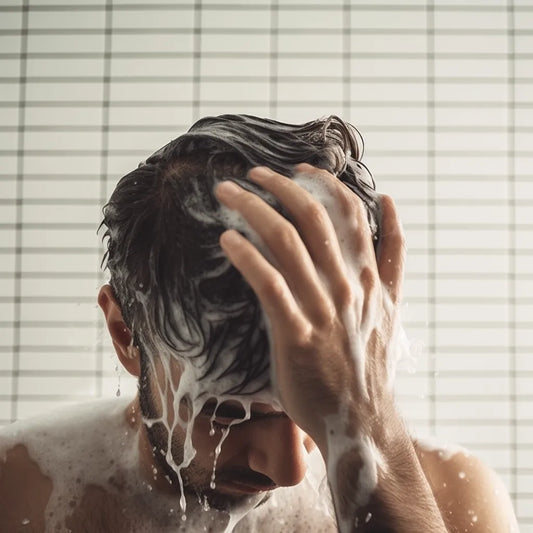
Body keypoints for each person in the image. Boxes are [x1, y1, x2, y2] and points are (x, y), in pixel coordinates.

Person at [0, 115, 518, 532]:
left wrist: (365, 436)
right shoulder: (16, 492)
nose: (289, 471)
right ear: (126, 334)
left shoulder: (454, 502)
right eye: (228, 414)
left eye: (322, 409)